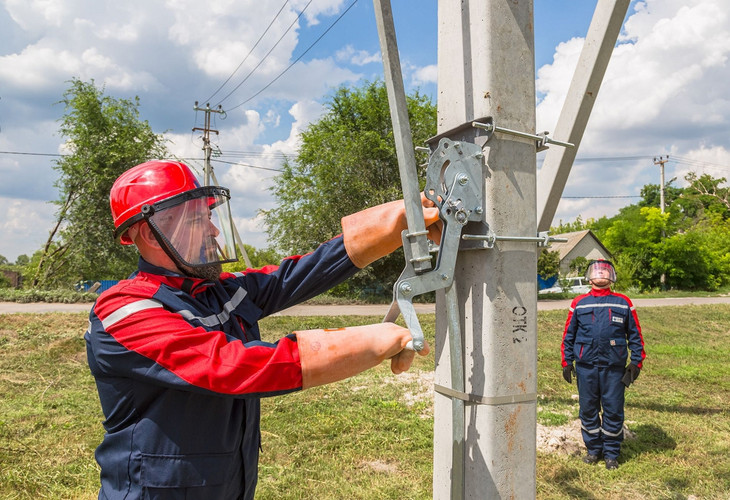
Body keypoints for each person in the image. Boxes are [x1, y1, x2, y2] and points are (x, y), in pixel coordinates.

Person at [85, 160, 442, 499]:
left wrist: (395, 222)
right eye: (196, 220)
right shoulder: (126, 309)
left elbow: (294, 276)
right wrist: (369, 340)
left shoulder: (216, 290)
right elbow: (230, 366)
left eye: (209, 215)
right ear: (151, 233)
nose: (213, 230)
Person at [560, 259, 646, 470]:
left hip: (614, 369)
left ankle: (611, 454)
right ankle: (593, 450)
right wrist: (566, 362)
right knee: (588, 410)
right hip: (586, 367)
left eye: (606, 271)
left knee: (613, 410)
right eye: (597, 271)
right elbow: (568, 336)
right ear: (590, 277)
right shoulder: (579, 303)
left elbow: (635, 335)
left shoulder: (623, 302)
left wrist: (636, 363)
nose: (601, 274)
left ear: (612, 277)